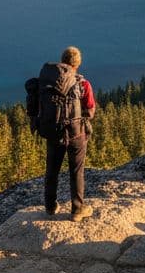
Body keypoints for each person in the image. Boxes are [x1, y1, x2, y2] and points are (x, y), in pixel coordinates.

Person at [29, 46, 96, 221]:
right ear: (77, 63)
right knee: (76, 170)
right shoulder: (82, 83)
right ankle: (77, 209)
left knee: (52, 169)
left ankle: (50, 206)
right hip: (76, 133)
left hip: (53, 132)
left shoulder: (48, 81)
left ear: (62, 60)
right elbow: (90, 110)